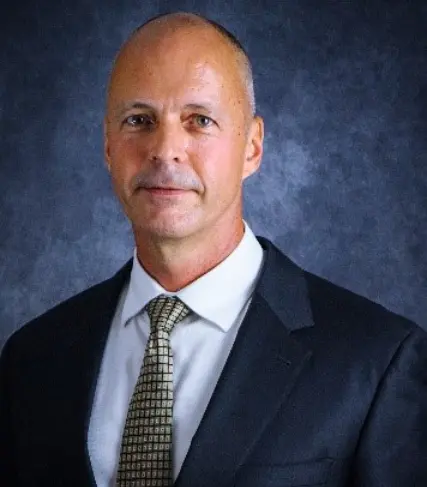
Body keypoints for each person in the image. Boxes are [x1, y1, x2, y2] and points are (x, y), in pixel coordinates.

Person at [1, 10, 427, 487]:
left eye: (199, 120)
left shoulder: (375, 361)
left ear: (252, 147)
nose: (165, 149)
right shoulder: (32, 359)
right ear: (107, 145)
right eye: (138, 120)